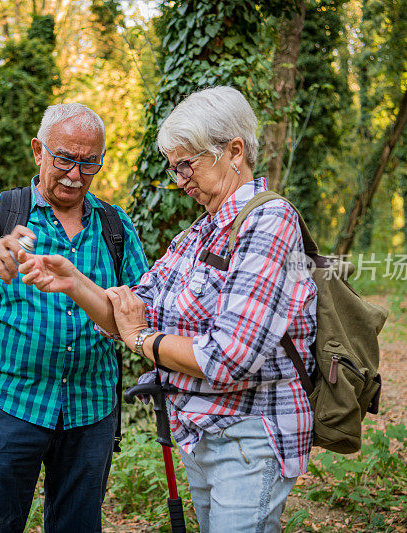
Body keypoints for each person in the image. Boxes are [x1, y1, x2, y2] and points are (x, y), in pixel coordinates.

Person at [20, 86, 318, 532]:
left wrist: (143, 339)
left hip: (249, 437)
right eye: (174, 166)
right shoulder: (200, 234)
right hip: (200, 434)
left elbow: (227, 356)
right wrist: (73, 282)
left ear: (234, 150)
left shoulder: (269, 222)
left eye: (187, 163)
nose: (180, 179)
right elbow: (133, 305)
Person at [0, 103, 148, 532]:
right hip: (10, 403)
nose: (75, 174)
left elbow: (143, 311)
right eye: (64, 159)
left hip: (91, 409)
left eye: (88, 162)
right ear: (38, 150)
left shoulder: (115, 226)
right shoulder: (0, 212)